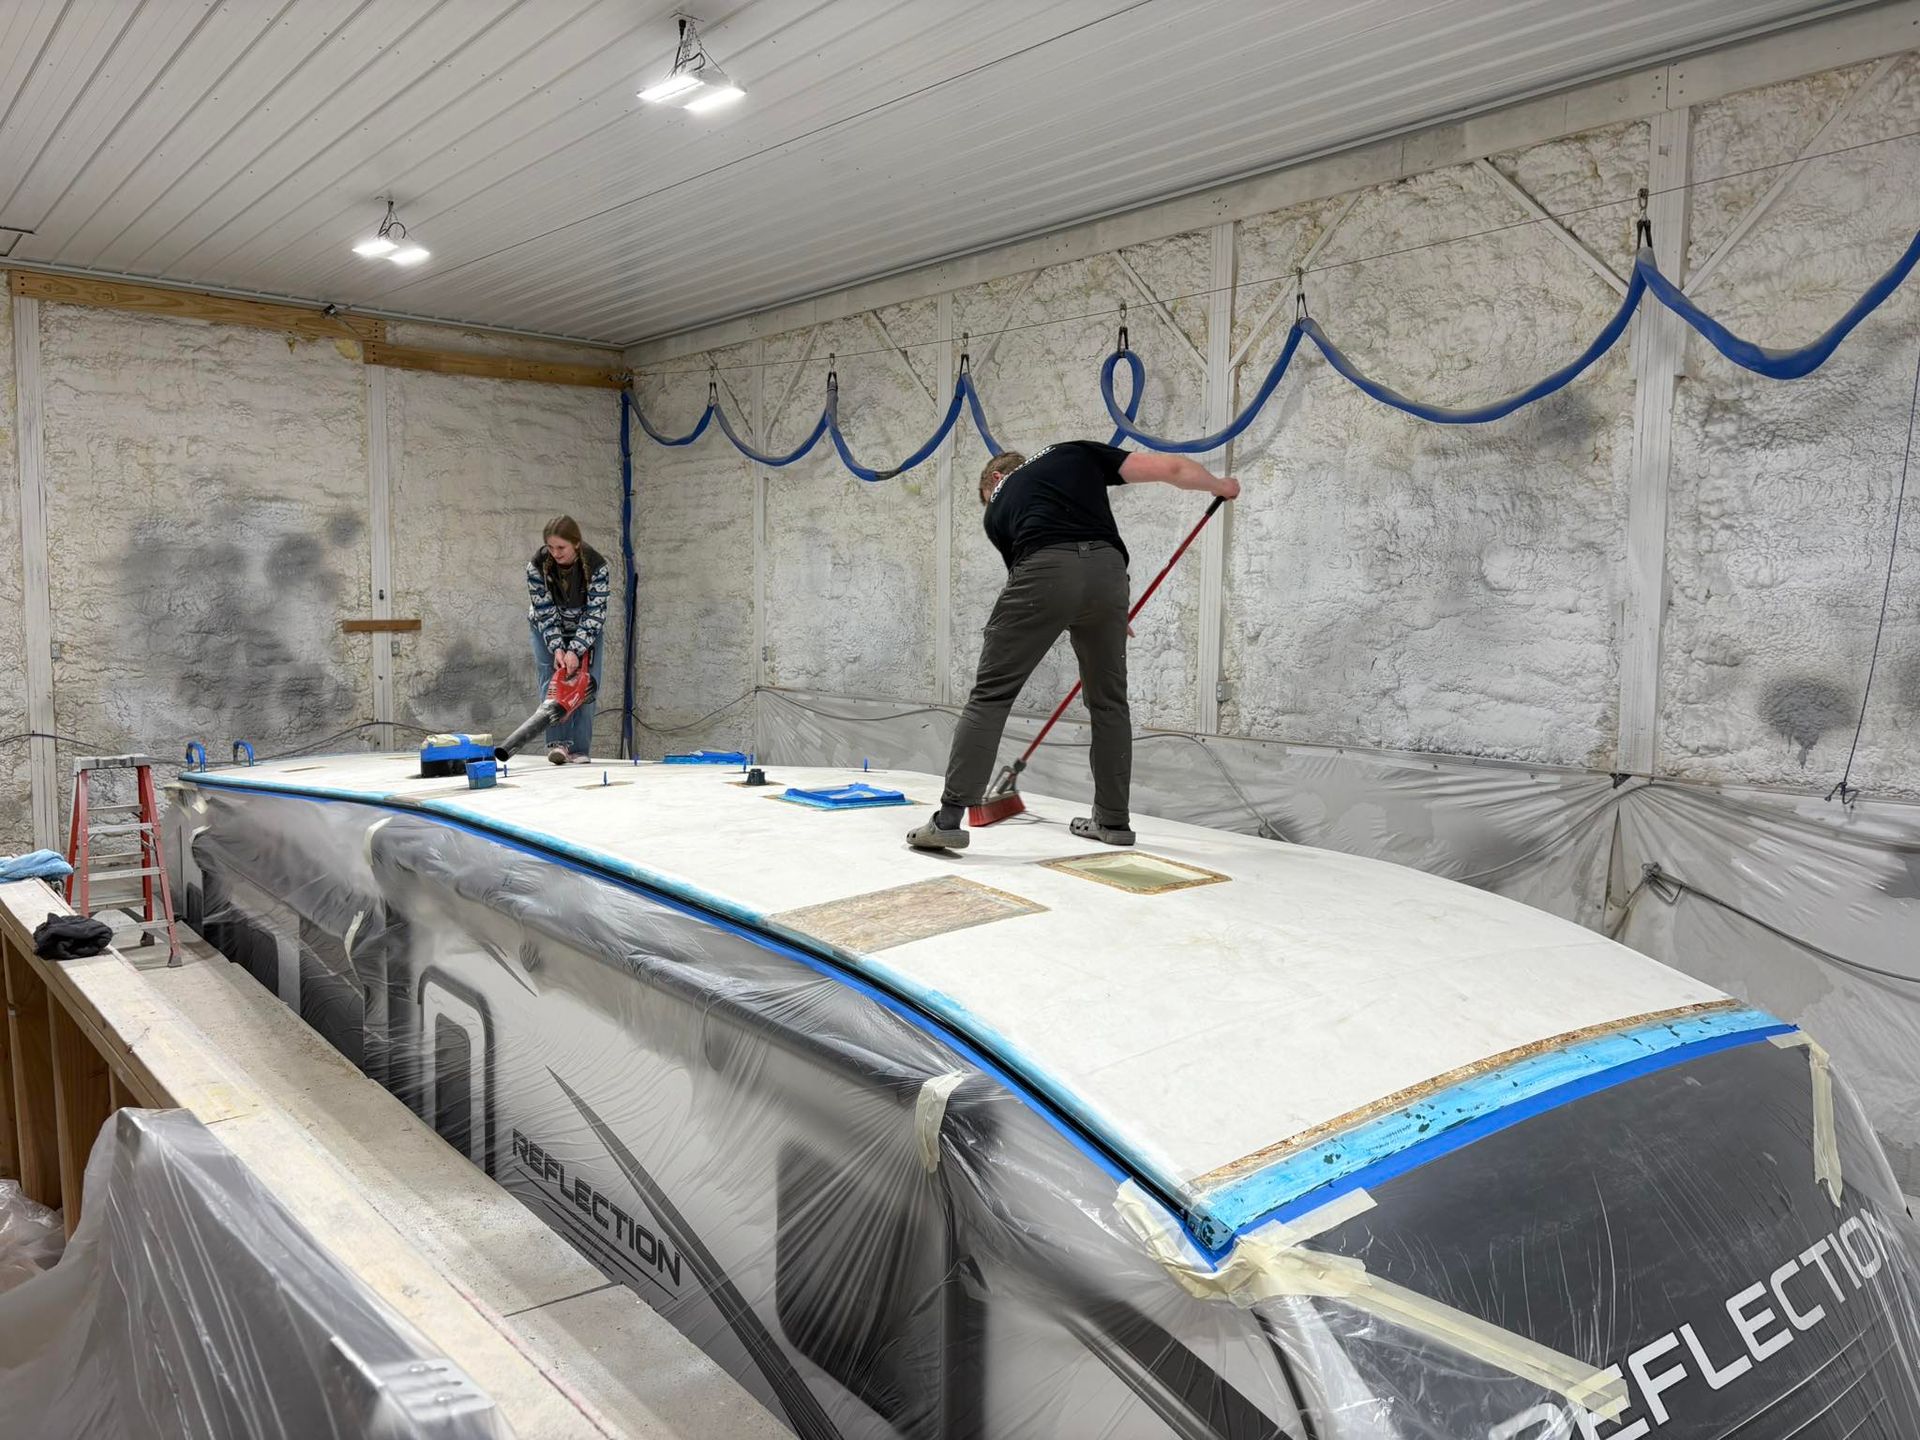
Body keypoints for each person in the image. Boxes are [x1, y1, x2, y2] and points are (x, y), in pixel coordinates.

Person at [907, 443, 1239, 851]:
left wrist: (1070, 601)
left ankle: (948, 821)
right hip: (1109, 577)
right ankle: (1113, 821)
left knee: (992, 695)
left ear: (995, 480)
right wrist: (1220, 485)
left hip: (1044, 571)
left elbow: (1035, 581)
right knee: (1109, 703)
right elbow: (1170, 467)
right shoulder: (1074, 453)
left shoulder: (997, 510)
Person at [526, 515, 610, 764]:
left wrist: (576, 649)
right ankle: (558, 745)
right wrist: (558, 649)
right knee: (553, 681)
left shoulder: (597, 566)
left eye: (561, 548)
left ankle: (580, 749)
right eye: (550, 548)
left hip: (586, 628)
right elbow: (544, 610)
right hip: (547, 627)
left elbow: (596, 612)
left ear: (576, 543)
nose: (555, 553)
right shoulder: (536, 566)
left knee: (586, 684)